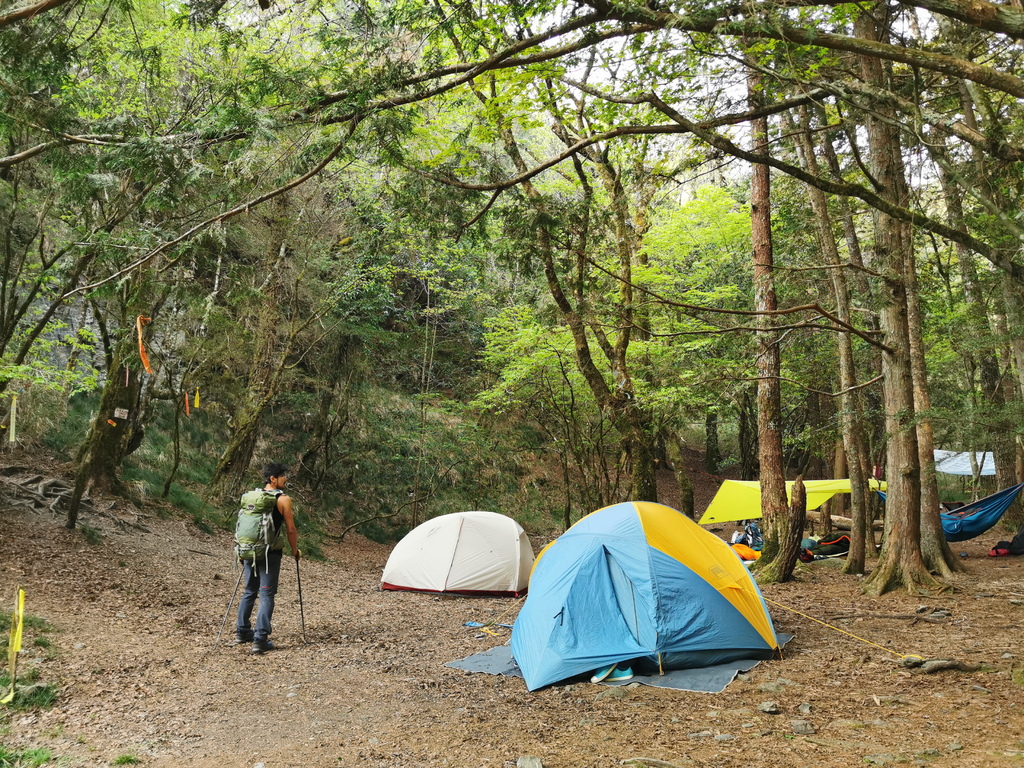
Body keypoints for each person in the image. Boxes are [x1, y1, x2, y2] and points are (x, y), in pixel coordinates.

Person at [235, 462, 299, 654]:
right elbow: (290, 529)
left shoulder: (251, 497)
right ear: (273, 479)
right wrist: (295, 550)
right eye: (282, 476)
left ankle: (242, 631)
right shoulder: (283, 499)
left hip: (249, 549)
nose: (285, 479)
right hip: (270, 553)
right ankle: (260, 639)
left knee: (249, 590)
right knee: (266, 594)